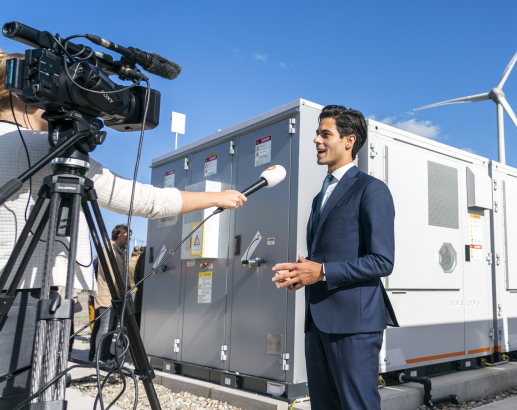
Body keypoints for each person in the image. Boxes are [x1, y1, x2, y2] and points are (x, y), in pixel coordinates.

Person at [0, 49, 247, 408]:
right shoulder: (44, 149)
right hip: (32, 298)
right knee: (26, 398)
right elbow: (143, 200)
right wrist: (216, 197)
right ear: (31, 97)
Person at [271, 105, 398, 409]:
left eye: (325, 134)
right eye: (317, 133)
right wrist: (302, 274)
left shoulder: (371, 190)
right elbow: (324, 255)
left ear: (349, 141)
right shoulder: (320, 197)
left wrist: (322, 272)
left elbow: (382, 260)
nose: (316, 140)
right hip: (317, 321)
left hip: (354, 325)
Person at [92, 225, 131, 363]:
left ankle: (106, 355)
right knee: (105, 327)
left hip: (115, 295)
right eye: (128, 236)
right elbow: (111, 275)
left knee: (111, 327)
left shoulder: (119, 251)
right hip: (107, 295)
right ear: (120, 235)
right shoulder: (109, 250)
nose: (129, 239)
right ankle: (98, 358)